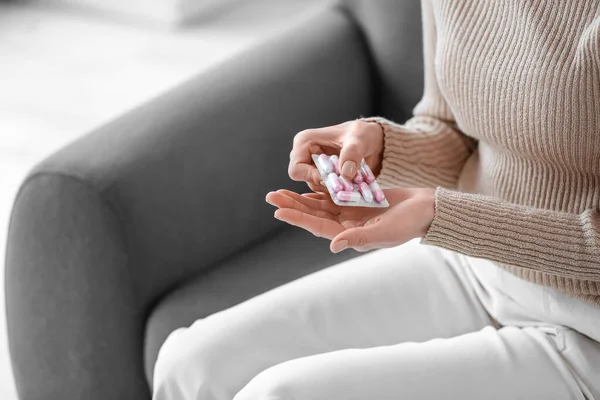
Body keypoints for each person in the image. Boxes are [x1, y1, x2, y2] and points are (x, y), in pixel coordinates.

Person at [153, 0, 600, 398]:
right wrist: (380, 144)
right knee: (190, 365)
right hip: (475, 262)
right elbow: (451, 129)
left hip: (589, 325)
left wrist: (440, 215)